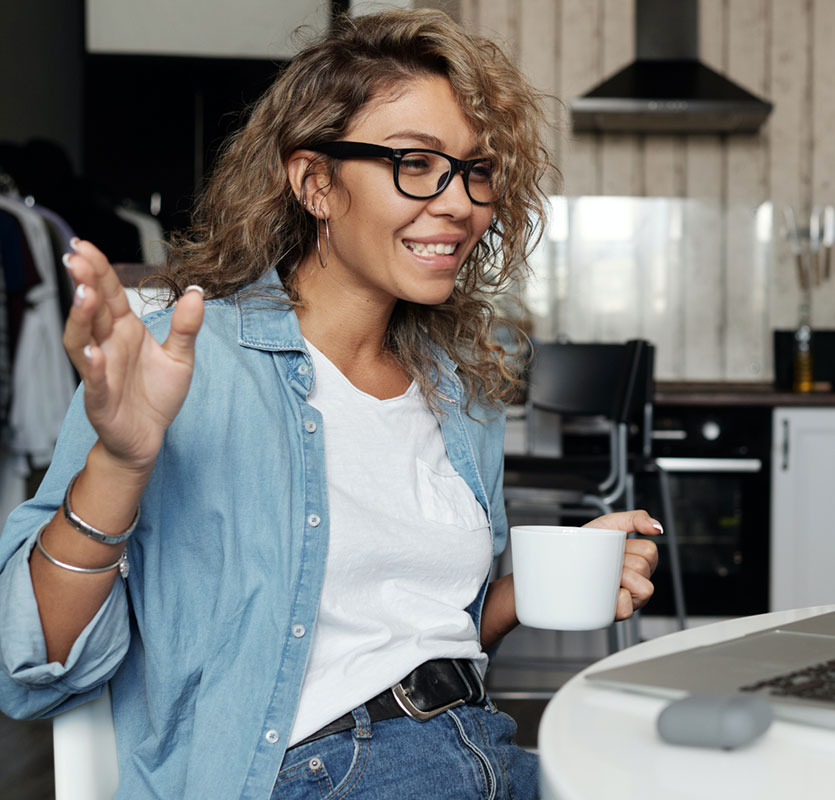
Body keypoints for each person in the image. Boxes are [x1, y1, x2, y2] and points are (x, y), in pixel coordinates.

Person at [0, 10, 660, 799]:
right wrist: (121, 458)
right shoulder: (180, 357)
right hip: (314, 775)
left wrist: (521, 596)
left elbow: (402, 643)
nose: (459, 204)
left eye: (476, 170)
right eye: (416, 162)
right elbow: (27, 661)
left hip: (479, 750)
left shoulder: (458, 390)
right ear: (314, 182)